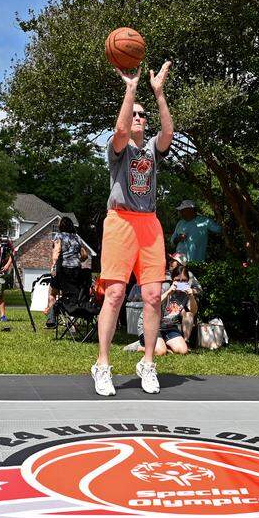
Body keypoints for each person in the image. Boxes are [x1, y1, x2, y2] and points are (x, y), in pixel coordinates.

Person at [92, 60, 174, 397]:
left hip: (149, 224)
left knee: (154, 296)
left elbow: (168, 133)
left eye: (143, 115)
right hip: (121, 222)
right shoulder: (119, 149)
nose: (138, 117)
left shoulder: (153, 148)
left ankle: (148, 363)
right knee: (114, 294)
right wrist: (130, 89)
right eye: (134, 113)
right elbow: (122, 131)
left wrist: (158, 93)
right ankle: (102, 364)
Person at [47, 216, 90, 328]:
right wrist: (77, 260)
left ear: (61, 226)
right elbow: (85, 255)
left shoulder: (59, 236)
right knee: (72, 295)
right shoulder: (77, 238)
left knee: (52, 293)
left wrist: (53, 267)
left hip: (63, 270)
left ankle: (52, 319)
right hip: (76, 271)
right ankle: (72, 322)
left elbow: (56, 252)